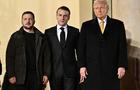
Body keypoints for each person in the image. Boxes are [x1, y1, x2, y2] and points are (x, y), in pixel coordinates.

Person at [78, 0, 128, 90]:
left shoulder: (118, 25)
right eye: (96, 8)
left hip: (112, 69)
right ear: (94, 10)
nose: (99, 10)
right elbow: (81, 48)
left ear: (107, 8)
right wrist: (82, 66)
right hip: (91, 69)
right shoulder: (86, 26)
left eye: (101, 7)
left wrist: (122, 66)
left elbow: (122, 47)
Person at [2, 11, 48, 90]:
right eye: (25, 19)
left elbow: (46, 57)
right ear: (22, 21)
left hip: (36, 76)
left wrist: (46, 74)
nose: (28, 21)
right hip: (20, 76)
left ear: (34, 21)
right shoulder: (15, 37)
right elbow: (9, 56)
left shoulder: (41, 37)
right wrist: (11, 74)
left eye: (30, 19)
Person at [41, 6, 79, 90]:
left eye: (65, 15)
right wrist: (46, 72)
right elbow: (46, 54)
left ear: (69, 17)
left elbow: (79, 52)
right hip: (54, 72)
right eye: (60, 15)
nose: (62, 18)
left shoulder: (75, 32)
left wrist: (80, 68)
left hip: (71, 73)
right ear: (56, 16)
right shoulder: (48, 32)